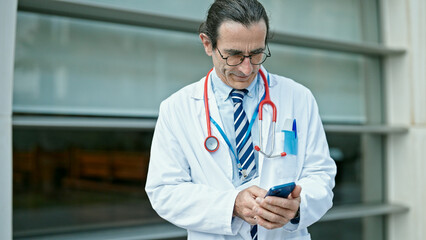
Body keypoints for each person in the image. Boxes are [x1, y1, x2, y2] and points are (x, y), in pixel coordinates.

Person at [145, 0, 336, 239]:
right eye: (233, 56)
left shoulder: (299, 98)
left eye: (256, 54)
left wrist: (297, 207)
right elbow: (164, 191)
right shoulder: (176, 109)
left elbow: (321, 175)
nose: (247, 69)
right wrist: (232, 204)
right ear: (207, 44)